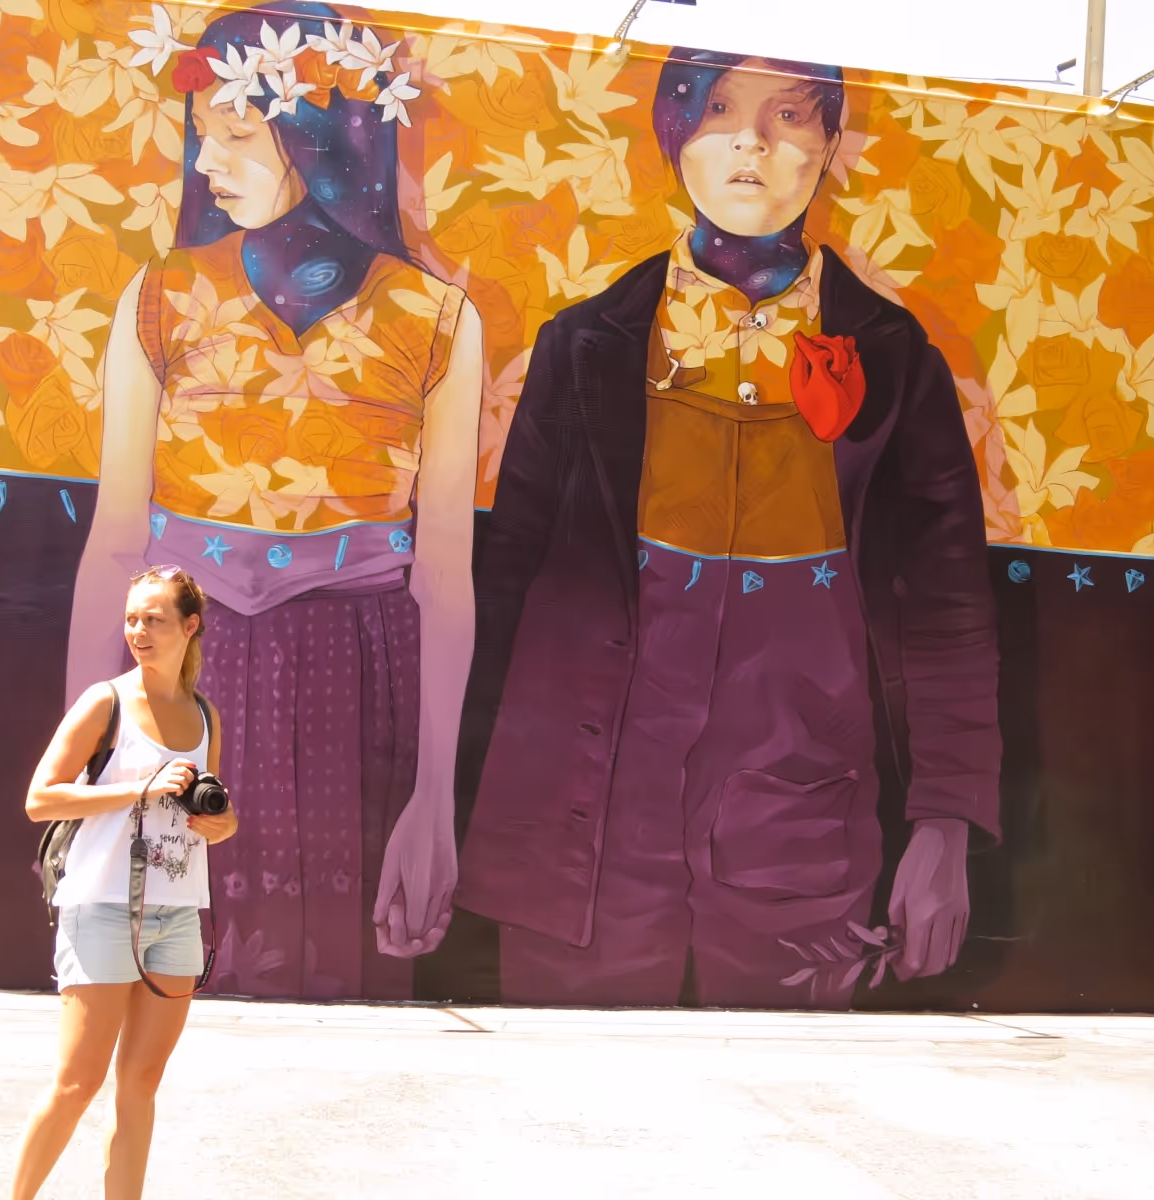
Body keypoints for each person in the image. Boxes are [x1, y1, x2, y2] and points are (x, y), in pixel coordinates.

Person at [457, 49, 1001, 1009]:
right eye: (719, 110)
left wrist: (946, 821)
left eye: (792, 115)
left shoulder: (897, 359)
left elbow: (949, 608)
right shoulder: (585, 344)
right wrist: (451, 804)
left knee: (789, 1110)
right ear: (674, 136)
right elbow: (506, 583)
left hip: (805, 822)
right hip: (585, 816)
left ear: (831, 144)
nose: (752, 141)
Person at [64, 0, 481, 999]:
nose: (209, 161)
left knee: (335, 979)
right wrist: (79, 754)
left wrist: (433, 798)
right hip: (186, 673)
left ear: (324, 140)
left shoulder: (435, 319)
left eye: (239, 134)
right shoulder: (158, 298)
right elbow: (116, 544)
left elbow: (445, 574)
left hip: (360, 673)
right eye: (203, 133)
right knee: (164, 975)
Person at [14, 565, 236, 1200]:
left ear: (189, 627)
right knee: (78, 1083)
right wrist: (135, 788)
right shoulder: (105, 701)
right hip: (102, 906)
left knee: (140, 1083)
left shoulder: (203, 714)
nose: (138, 630)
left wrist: (221, 824)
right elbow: (40, 798)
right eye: (133, 617)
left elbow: (215, 810)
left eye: (155, 619)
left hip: (177, 914)